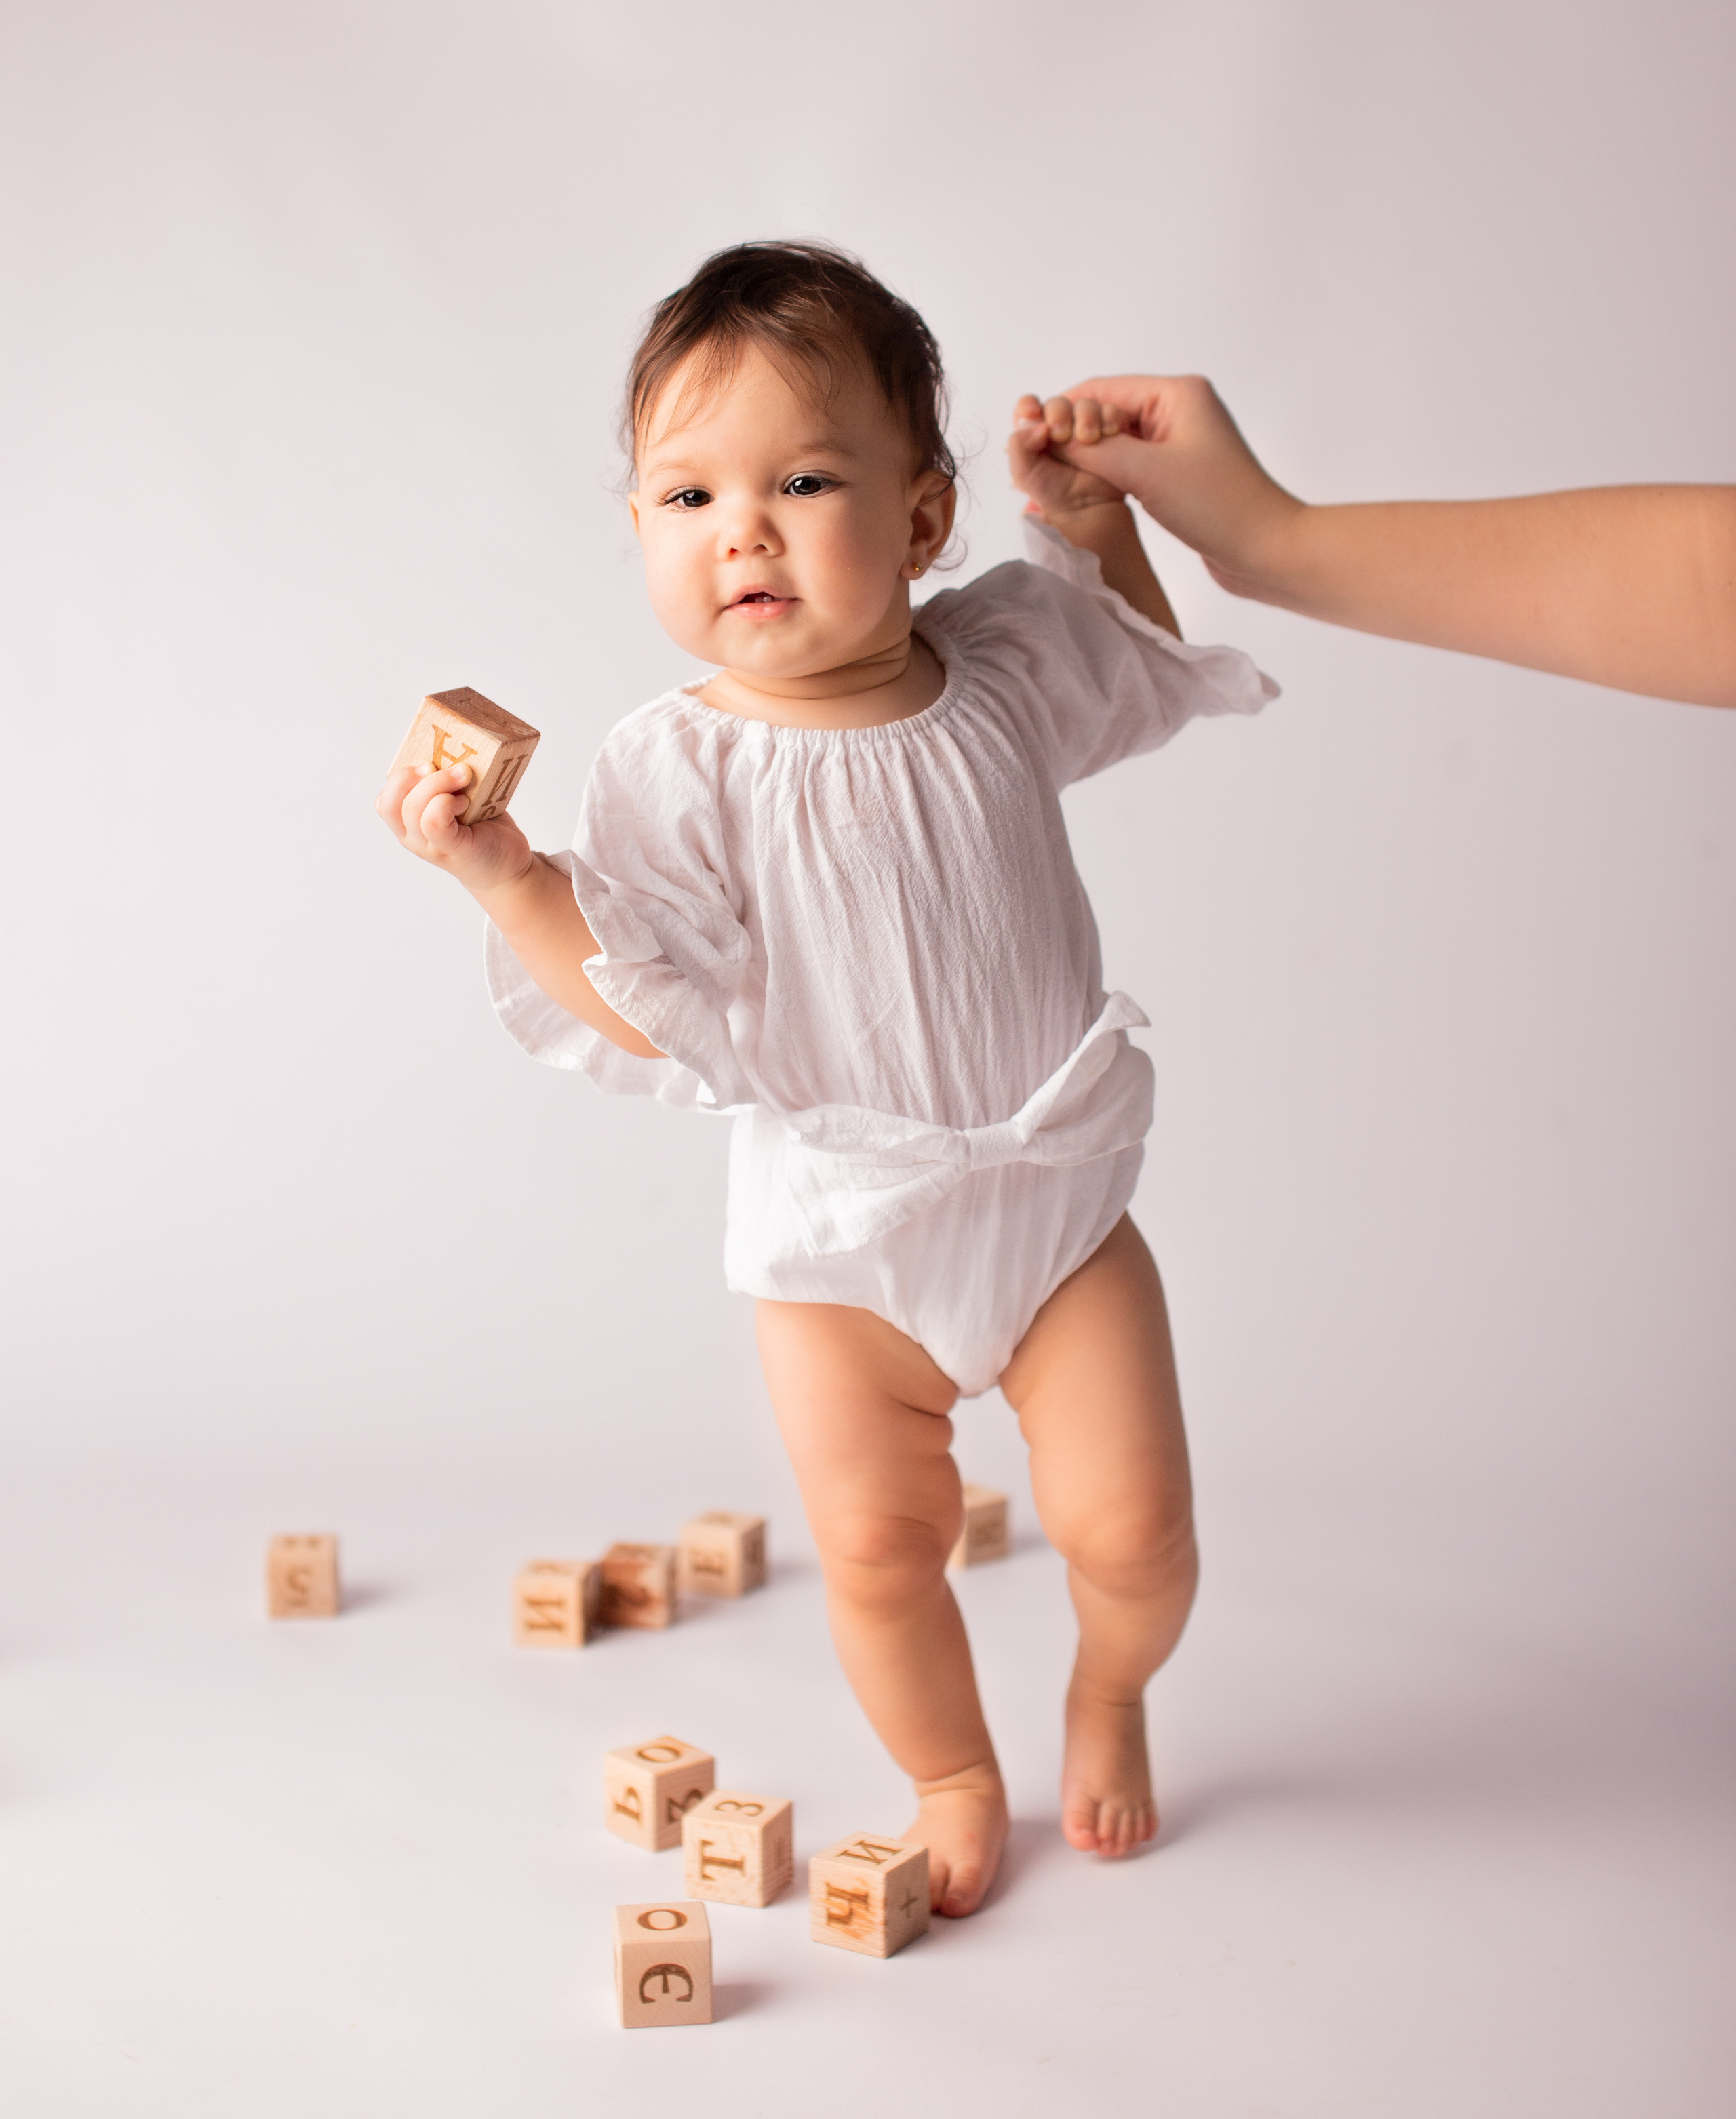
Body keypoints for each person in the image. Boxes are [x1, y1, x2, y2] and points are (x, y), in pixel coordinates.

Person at [376, 245, 1276, 1918]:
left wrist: (1091, 531)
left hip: (1054, 1199)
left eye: (801, 479)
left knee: (1130, 1524)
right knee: (875, 1547)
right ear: (640, 530)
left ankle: (1110, 1687)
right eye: (687, 492)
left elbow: (1137, 661)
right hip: (835, 1237)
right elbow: (654, 1009)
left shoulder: (996, 671)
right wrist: (509, 880)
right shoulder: (679, 766)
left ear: (924, 523)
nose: (745, 529)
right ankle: (950, 1767)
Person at [1010, 376, 1736, 709]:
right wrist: (1274, 541)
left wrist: (1090, 521)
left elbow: (1126, 686)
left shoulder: (973, 674)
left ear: (926, 523)